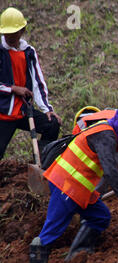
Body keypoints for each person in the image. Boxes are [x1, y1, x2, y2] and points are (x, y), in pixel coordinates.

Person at [29, 93, 118, 263]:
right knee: (53, 228)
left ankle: (78, 253)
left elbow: (104, 168)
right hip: (66, 184)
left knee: (101, 216)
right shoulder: (106, 135)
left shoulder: (108, 132)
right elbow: (109, 169)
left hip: (81, 188)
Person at [72, 106, 118, 232]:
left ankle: (88, 225)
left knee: (95, 193)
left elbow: (77, 148)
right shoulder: (116, 114)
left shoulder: (82, 123)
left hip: (111, 158)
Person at [0, 7, 61, 160]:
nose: (10, 36)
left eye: (14, 33)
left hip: (22, 110)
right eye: (7, 33)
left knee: (52, 124)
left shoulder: (28, 52)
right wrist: (12, 89)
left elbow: (38, 81)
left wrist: (47, 109)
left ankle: (41, 162)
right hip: (3, 113)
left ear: (22, 31)